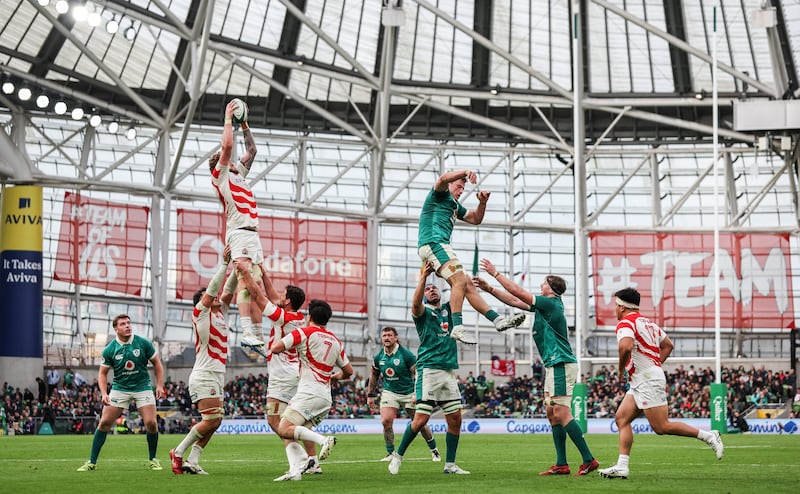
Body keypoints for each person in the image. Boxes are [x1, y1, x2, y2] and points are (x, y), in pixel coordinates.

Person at [473, 259, 599, 476]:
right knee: (552, 413)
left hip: (560, 362)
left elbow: (518, 292)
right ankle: (561, 464)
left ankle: (589, 459)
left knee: (561, 412)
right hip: (553, 365)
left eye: (544, 283)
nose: (541, 285)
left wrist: (495, 274)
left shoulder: (551, 303)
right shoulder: (545, 307)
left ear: (551, 288)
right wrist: (490, 289)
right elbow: (514, 300)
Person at [597, 287, 724, 479]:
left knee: (661, 426)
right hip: (644, 379)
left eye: (616, 305)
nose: (615, 309)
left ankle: (708, 436)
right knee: (621, 419)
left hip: (646, 379)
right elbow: (668, 345)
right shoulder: (648, 323)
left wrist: (621, 368)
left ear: (622, 307)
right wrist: (654, 365)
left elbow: (625, 346)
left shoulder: (626, 323)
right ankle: (622, 466)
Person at [417, 169, 525, 345]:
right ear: (450, 184)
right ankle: (457, 327)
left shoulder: (454, 205)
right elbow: (442, 179)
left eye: (463, 188)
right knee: (460, 279)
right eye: (458, 186)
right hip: (434, 243)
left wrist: (482, 203)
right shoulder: (439, 195)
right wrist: (466, 171)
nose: (461, 191)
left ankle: (497, 320)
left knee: (466, 283)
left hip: (438, 247)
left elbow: (475, 219)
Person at [235, 260, 322, 477]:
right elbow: (273, 297)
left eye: (284, 295)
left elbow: (260, 297)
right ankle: (313, 461)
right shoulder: (296, 317)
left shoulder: (284, 317)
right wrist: (264, 274)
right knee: (299, 420)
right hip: (294, 373)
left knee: (275, 421)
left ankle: (300, 460)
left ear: (288, 301)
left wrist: (246, 273)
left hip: (282, 375)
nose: (279, 296)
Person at [388, 262, 469, 475]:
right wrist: (423, 278)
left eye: (434, 288)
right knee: (421, 419)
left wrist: (446, 274)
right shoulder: (423, 313)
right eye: (428, 289)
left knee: (455, 419)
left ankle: (450, 465)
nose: (431, 290)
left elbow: (459, 289)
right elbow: (415, 305)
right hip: (429, 370)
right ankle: (398, 456)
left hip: (448, 370)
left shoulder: (450, 309)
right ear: (424, 296)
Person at [269, 299, 353, 481]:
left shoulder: (304, 332)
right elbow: (348, 371)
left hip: (309, 392)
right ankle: (297, 471)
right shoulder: (336, 341)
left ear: (310, 317)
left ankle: (323, 440)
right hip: (325, 397)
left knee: (283, 428)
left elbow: (275, 348)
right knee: (296, 430)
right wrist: (334, 377)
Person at [170, 250, 236, 475]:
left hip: (216, 374)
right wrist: (224, 264)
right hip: (204, 373)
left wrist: (238, 268)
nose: (217, 297)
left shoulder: (220, 313)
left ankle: (193, 461)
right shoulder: (200, 313)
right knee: (211, 420)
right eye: (212, 296)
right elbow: (213, 290)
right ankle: (178, 452)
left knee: (216, 421)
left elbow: (228, 290)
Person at [210, 99, 265, 353]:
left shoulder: (237, 175)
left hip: (252, 234)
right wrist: (228, 118)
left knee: (255, 282)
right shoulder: (221, 176)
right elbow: (228, 145)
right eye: (228, 160)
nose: (233, 160)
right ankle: (246, 332)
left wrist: (244, 124)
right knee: (245, 279)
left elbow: (252, 151)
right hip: (240, 233)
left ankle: (255, 334)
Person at [77, 314, 166, 471]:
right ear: (116, 328)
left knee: (151, 424)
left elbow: (157, 364)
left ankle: (153, 459)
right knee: (104, 423)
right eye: (123, 324)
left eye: (129, 323)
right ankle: (91, 462)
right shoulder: (110, 349)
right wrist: (104, 393)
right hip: (120, 389)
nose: (127, 326)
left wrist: (159, 386)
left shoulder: (143, 343)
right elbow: (102, 373)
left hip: (143, 387)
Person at [367, 326, 440, 462]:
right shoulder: (378, 357)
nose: (387, 338)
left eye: (389, 335)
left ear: (396, 338)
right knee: (386, 421)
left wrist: (417, 393)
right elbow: (374, 375)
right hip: (390, 392)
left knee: (419, 423)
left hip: (409, 393)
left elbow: (418, 373)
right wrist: (370, 395)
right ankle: (390, 453)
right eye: (384, 336)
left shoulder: (406, 355)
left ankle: (434, 449)